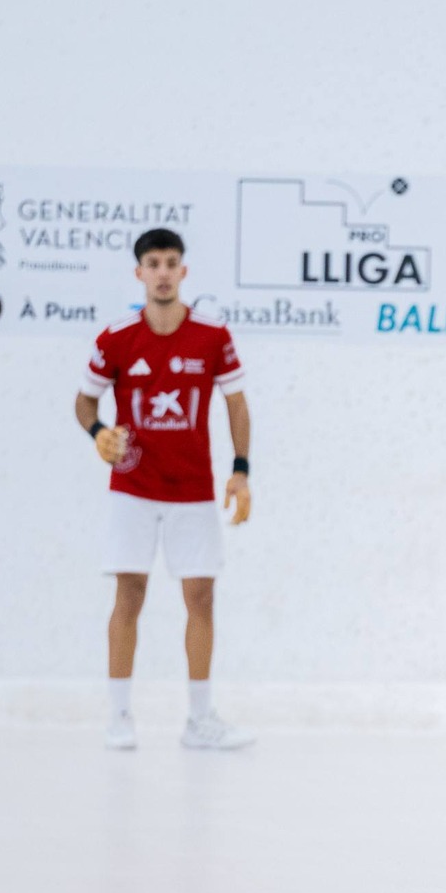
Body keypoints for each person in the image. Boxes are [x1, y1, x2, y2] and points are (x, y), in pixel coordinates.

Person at [74, 228, 256, 751]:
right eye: (153, 263)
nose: (162, 272)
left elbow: (236, 403)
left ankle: (200, 720)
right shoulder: (115, 337)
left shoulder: (212, 335)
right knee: (129, 593)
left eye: (171, 263)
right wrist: (98, 431)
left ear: (183, 271)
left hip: (192, 490)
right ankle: (119, 715)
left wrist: (240, 469)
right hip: (132, 487)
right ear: (139, 273)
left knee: (201, 598)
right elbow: (84, 402)